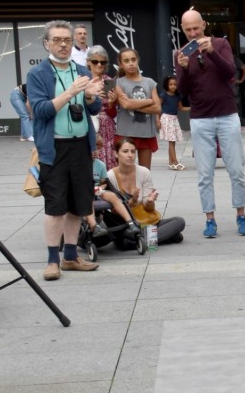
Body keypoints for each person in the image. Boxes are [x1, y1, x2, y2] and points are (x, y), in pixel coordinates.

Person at [28, 20, 108, 282]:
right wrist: (71, 91)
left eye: (67, 40)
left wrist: (88, 97)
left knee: (78, 205)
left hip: (81, 145)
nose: (63, 44)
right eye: (57, 40)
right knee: (55, 207)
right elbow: (40, 111)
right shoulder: (38, 74)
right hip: (55, 147)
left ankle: (71, 257)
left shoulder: (82, 69)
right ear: (46, 43)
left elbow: (93, 110)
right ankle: (53, 260)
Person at [176, 9, 245, 239]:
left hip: (227, 114)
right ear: (182, 29)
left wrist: (211, 53)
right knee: (204, 174)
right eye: (188, 29)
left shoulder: (220, 44)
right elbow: (183, 91)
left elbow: (230, 73)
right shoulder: (181, 53)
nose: (193, 33)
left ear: (204, 25)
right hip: (200, 118)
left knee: (236, 169)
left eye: (196, 28)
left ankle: (241, 214)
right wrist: (184, 68)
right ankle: (210, 219)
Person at [106, 139, 186, 246]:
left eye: (133, 152)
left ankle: (139, 241)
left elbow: (149, 209)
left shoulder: (144, 172)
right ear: (116, 154)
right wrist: (131, 202)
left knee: (179, 221)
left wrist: (149, 202)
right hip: (127, 224)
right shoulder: (110, 176)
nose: (130, 155)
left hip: (146, 221)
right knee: (176, 236)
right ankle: (156, 238)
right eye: (125, 151)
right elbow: (114, 210)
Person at [114, 48, 160, 169]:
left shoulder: (150, 82)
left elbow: (157, 108)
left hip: (146, 133)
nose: (131, 63)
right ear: (121, 64)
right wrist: (148, 101)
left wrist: (132, 102)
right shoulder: (118, 83)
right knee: (125, 172)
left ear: (138, 60)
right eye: (126, 60)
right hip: (126, 133)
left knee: (145, 172)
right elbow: (126, 105)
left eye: (133, 59)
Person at [87, 46, 120, 169]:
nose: (99, 65)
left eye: (103, 62)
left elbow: (113, 114)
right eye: (95, 61)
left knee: (109, 160)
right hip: (89, 123)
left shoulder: (109, 81)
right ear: (88, 62)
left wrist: (112, 102)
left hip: (107, 127)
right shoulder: (84, 80)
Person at [159, 76, 187, 170]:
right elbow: (158, 107)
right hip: (166, 119)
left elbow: (181, 108)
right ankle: (175, 161)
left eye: (175, 84)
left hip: (174, 119)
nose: (173, 86)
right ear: (167, 85)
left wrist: (194, 108)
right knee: (171, 141)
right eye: (171, 84)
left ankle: (171, 162)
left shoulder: (178, 96)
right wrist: (157, 120)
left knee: (172, 141)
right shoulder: (164, 95)